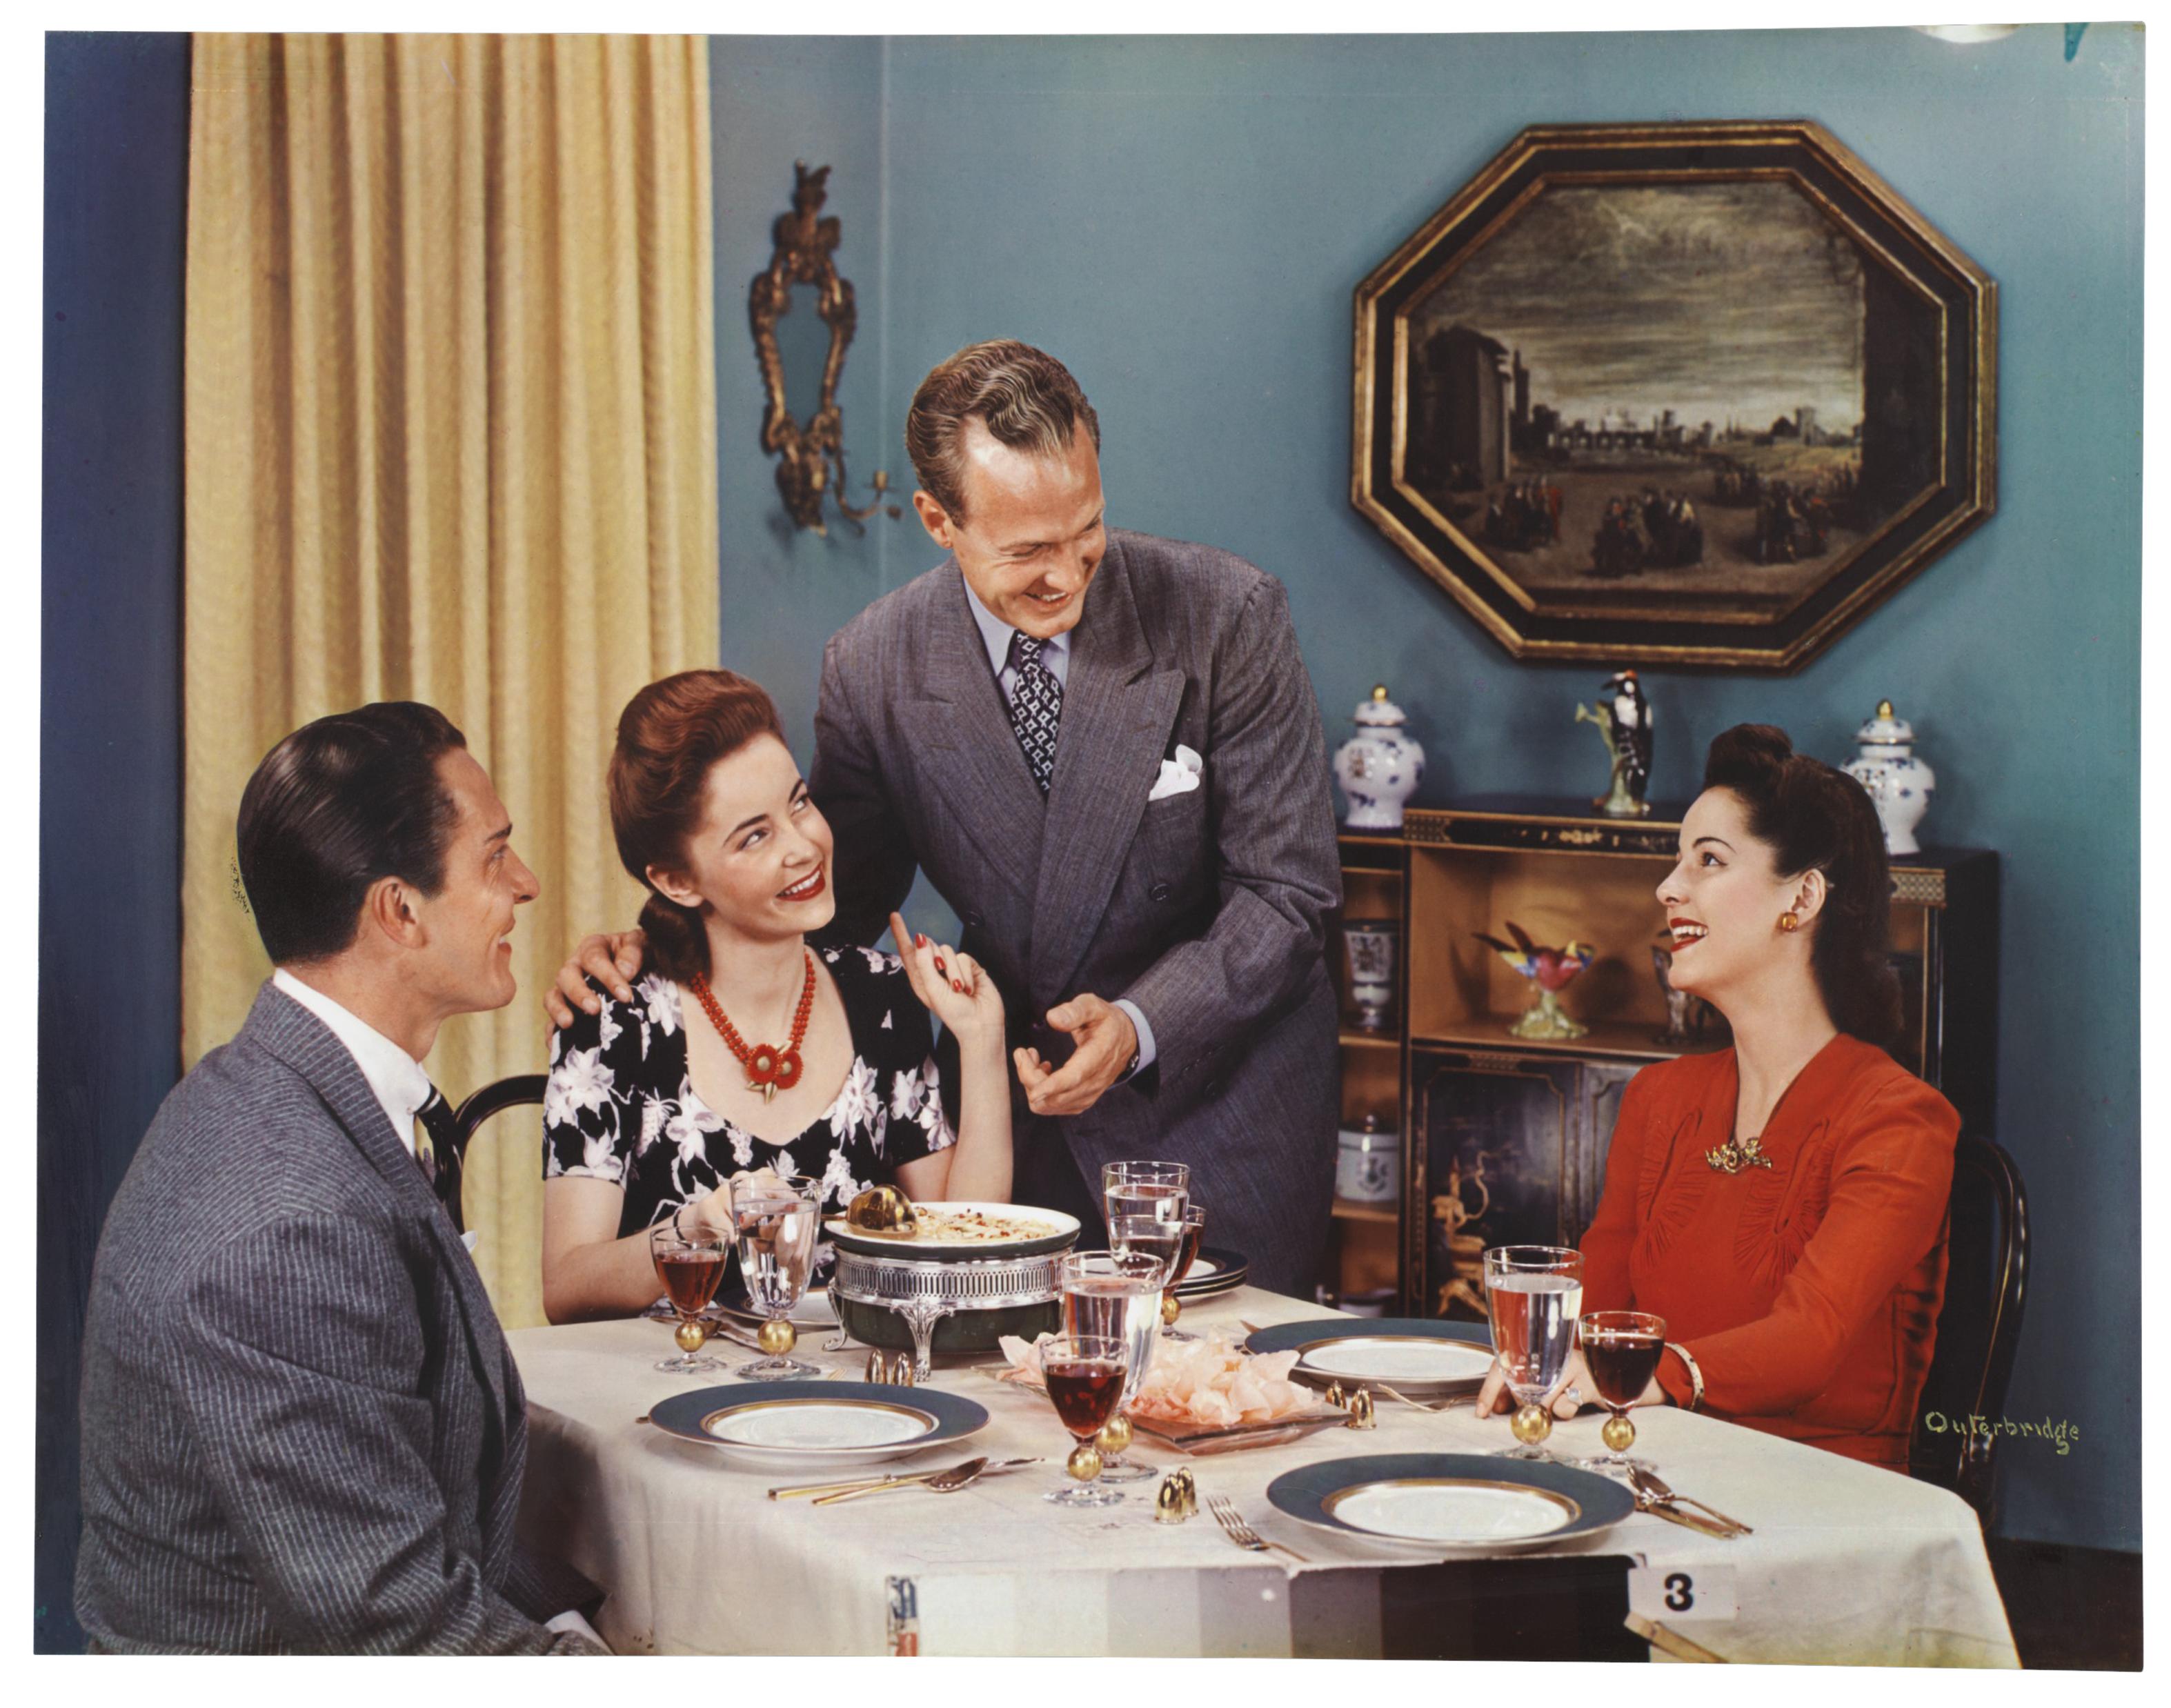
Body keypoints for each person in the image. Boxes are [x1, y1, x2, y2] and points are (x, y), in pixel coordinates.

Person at [546, 340, 1341, 1297]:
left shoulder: (1226, 614)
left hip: (1221, 1116)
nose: (1068, 575)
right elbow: (819, 895)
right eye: (1026, 553)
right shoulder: (874, 667)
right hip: (1017, 1126)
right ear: (938, 521)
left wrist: (1137, 1026)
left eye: (1086, 531)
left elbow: (1288, 896)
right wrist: (652, 946)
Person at [76, 704, 601, 1652]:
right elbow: (396, 1627)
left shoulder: (266, 1087)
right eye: (495, 856)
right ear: (398, 910)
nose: (524, 884)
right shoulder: (289, 1222)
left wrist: (577, 1613)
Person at [1478, 724, 1958, 1472]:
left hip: (1819, 1501)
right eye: (1677, 861)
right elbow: (1594, 1305)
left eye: (1708, 860)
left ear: (1799, 897)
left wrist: (1656, 1376)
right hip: (1647, 1466)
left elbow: (1810, 1338)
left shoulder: (1898, 1121)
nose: (1668, 888)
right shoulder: (1659, 1097)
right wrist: (1545, 1363)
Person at [539, 671, 1011, 1322]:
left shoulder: (877, 992)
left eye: (799, 803)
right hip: (672, 1400)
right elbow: (567, 1286)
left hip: (858, 1400)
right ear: (677, 880)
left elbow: (963, 1256)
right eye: (754, 836)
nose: (804, 847)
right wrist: (697, 1227)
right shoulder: (615, 1017)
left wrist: (981, 1041)